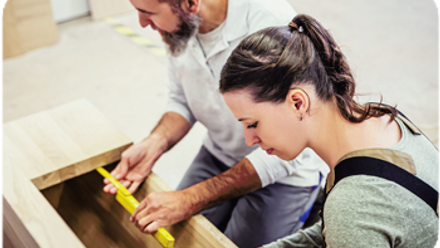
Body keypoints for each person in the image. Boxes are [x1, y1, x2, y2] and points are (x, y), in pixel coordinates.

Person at [103, 0, 329, 247]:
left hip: (285, 168)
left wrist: (191, 198)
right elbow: (182, 97)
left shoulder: (269, 20)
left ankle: (311, 202)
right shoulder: (179, 27)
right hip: (219, 152)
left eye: (147, 13)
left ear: (190, 3)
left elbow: (294, 138)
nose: (142, 23)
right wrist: (156, 141)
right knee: (171, 236)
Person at [219, 14, 440, 248]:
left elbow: (351, 221)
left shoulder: (351, 204)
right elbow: (345, 228)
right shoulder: (382, 118)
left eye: (252, 124)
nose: (249, 139)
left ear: (298, 103)